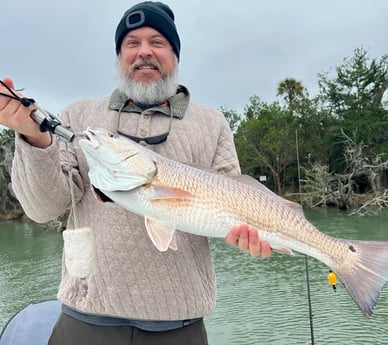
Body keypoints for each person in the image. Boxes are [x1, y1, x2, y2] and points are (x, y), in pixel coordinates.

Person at [0, 2, 272, 344]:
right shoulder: (80, 115)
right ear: (119, 57)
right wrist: (34, 136)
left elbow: (235, 199)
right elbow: (42, 209)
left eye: (157, 42)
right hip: (85, 319)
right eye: (132, 43)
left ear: (175, 55)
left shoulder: (211, 122)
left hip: (180, 324)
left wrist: (251, 235)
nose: (145, 51)